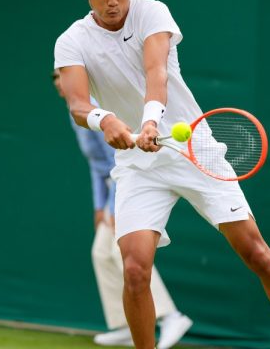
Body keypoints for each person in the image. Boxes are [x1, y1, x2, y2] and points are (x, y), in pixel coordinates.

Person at [53, 0, 270, 349]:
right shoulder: (72, 40)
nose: (112, 1)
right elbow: (76, 102)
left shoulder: (152, 13)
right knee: (134, 269)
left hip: (194, 148)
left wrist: (149, 122)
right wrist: (102, 117)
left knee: (256, 252)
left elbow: (156, 74)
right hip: (137, 166)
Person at [52, 69, 193, 348]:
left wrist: (113, 207)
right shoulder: (75, 113)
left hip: (127, 182)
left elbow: (119, 157)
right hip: (110, 189)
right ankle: (126, 326)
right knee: (101, 253)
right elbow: (96, 164)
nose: (60, 82)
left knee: (120, 255)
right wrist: (98, 206)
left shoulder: (98, 110)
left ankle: (170, 316)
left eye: (63, 75)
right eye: (55, 78)